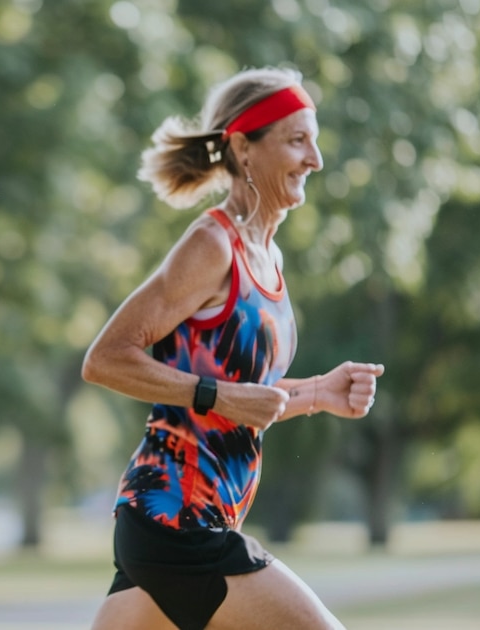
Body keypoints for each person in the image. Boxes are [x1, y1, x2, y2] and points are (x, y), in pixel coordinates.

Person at [80, 66, 385, 630]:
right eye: (297, 141)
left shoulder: (268, 258)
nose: (315, 159)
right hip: (175, 518)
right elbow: (105, 359)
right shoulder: (211, 244)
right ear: (245, 148)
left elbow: (243, 398)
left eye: (314, 142)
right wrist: (216, 397)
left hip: (194, 516)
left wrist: (319, 392)